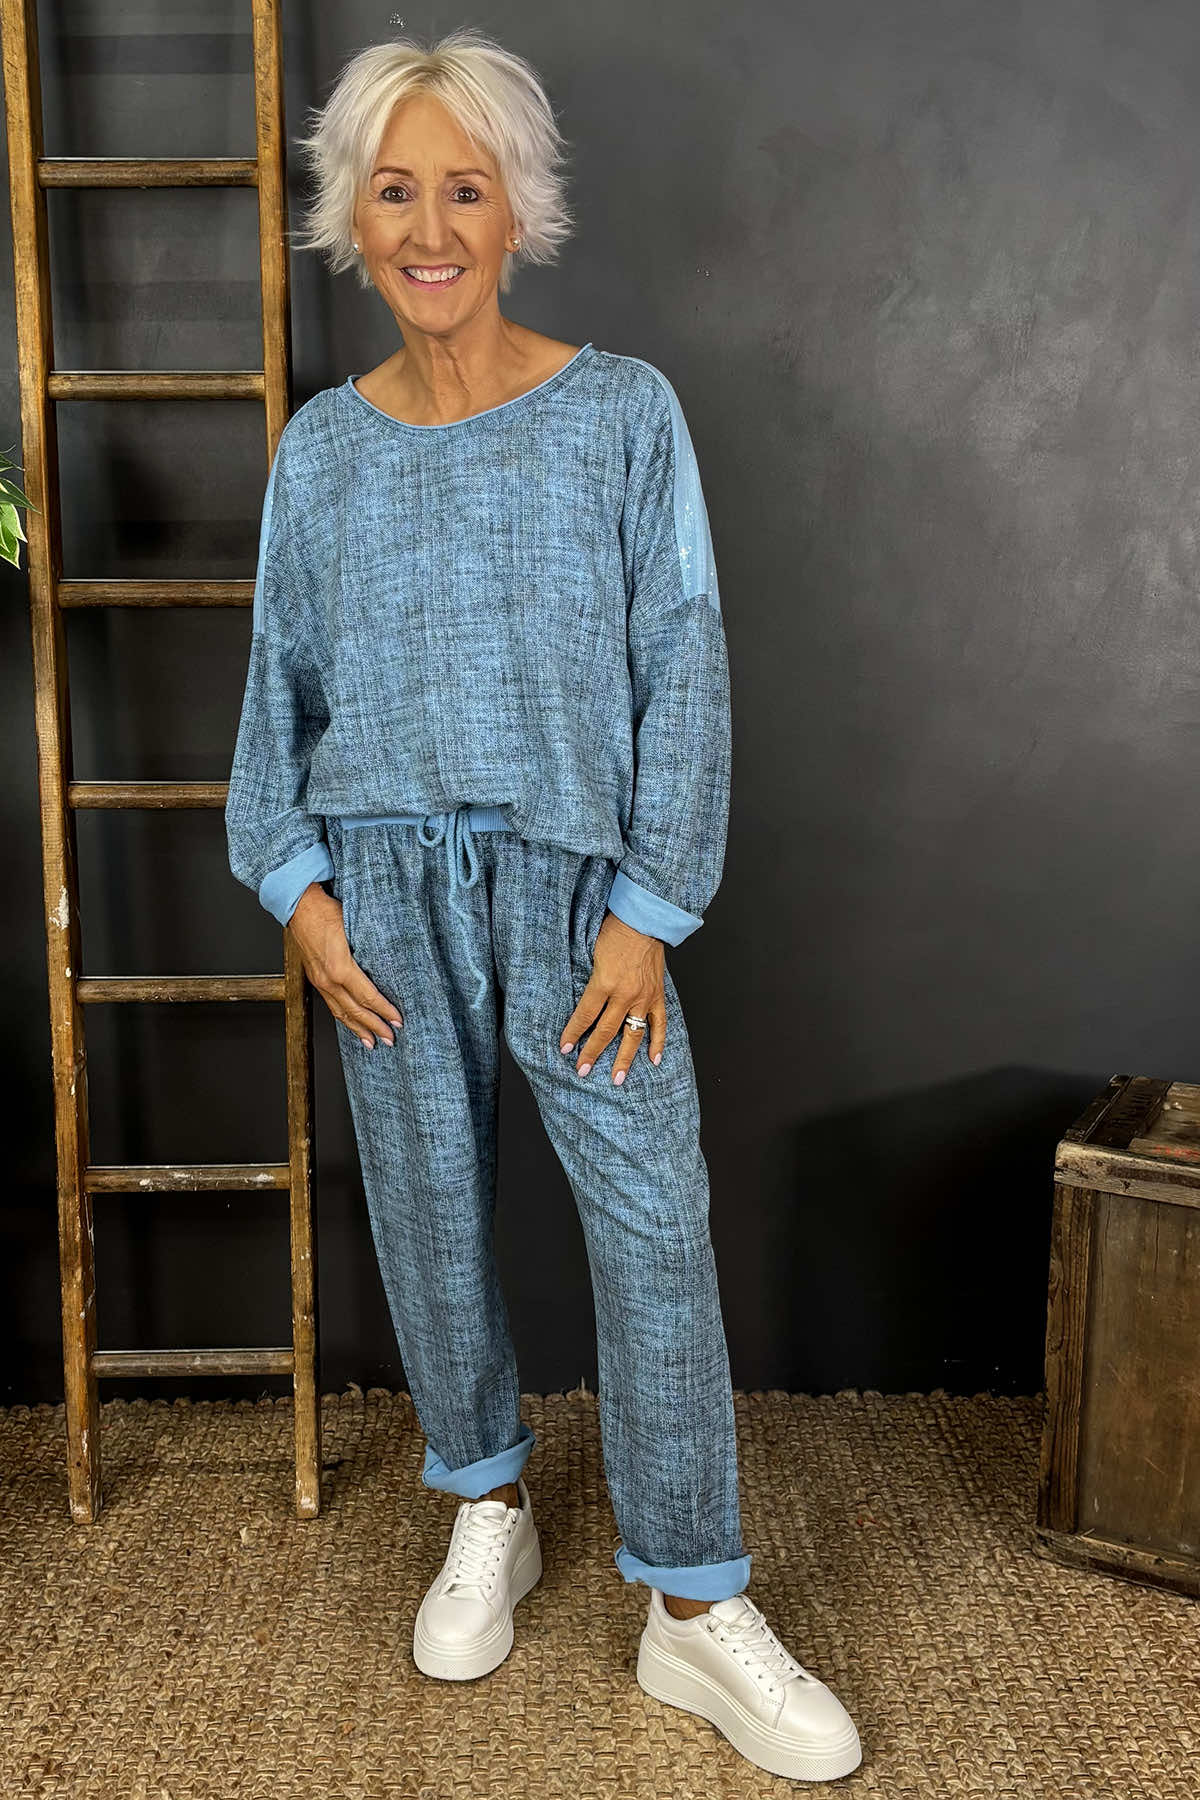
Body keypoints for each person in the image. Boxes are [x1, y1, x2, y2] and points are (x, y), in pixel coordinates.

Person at [224, 25, 861, 1785]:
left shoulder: (622, 416)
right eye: (396, 191)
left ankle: (693, 1604)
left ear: (518, 214)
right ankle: (485, 1502)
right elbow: (278, 686)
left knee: (652, 1226)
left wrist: (650, 908)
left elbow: (685, 667)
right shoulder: (321, 455)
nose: (430, 228)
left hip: (582, 895)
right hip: (380, 895)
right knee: (429, 1212)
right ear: (354, 216)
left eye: (466, 189)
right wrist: (299, 889)